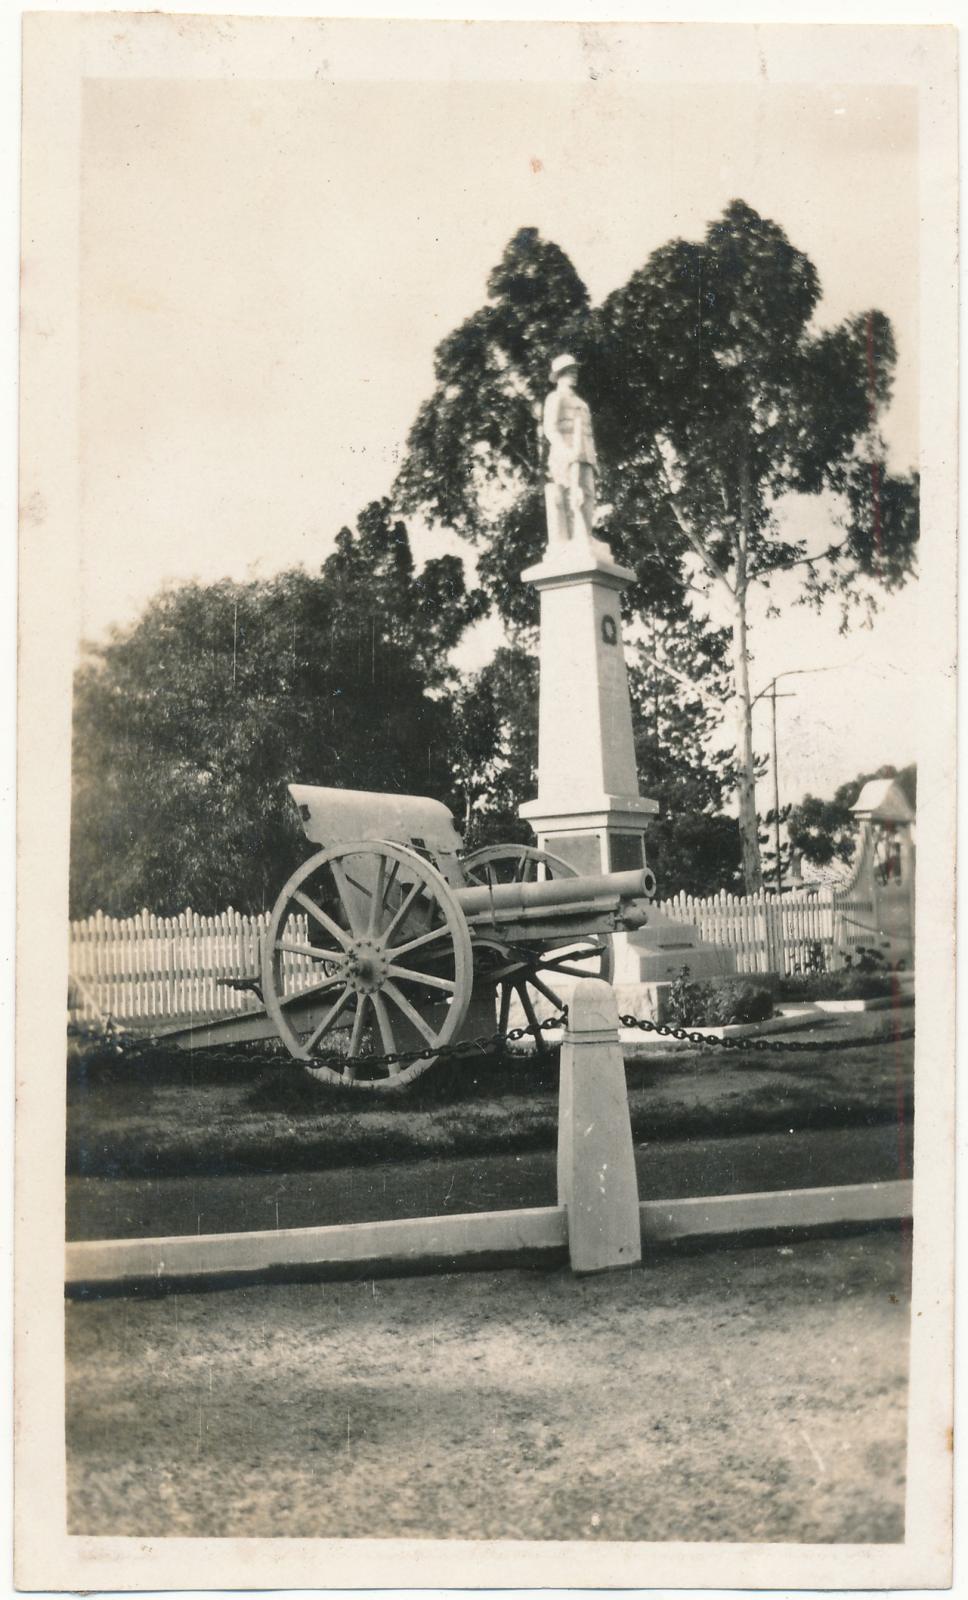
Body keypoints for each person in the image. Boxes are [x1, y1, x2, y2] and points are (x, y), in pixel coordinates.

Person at [542, 353, 598, 542]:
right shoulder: (555, 398)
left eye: (575, 370)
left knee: (588, 494)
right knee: (569, 494)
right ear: (559, 375)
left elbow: (588, 435)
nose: (574, 374)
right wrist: (566, 452)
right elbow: (550, 429)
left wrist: (592, 459)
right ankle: (573, 538)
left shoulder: (582, 403)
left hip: (585, 455)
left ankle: (585, 534)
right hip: (563, 454)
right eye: (569, 371)